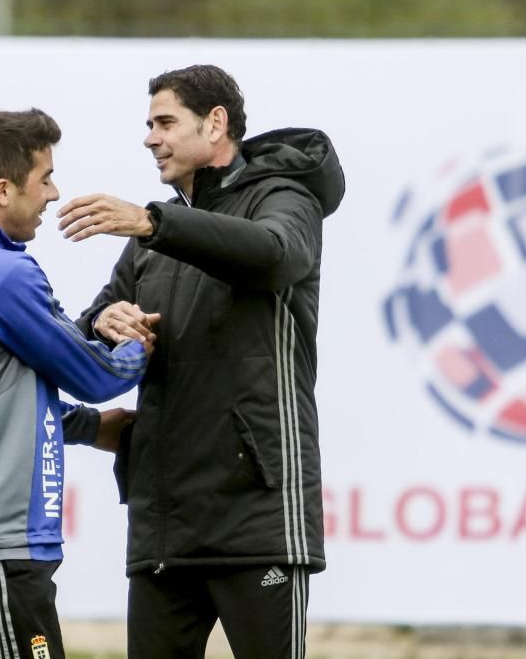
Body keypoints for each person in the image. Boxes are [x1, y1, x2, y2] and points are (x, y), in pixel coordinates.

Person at [57, 65, 345, 658]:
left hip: (258, 521)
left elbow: (271, 256)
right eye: (148, 124)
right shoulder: (152, 236)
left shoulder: (283, 198)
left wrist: (154, 221)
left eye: (165, 122)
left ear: (216, 124)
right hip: (166, 528)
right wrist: (103, 324)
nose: (149, 138)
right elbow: (88, 327)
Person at [0, 106, 153, 659]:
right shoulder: (3, 273)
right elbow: (97, 373)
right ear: (2, 190)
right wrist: (145, 338)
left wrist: (95, 429)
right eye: (43, 179)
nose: (52, 193)